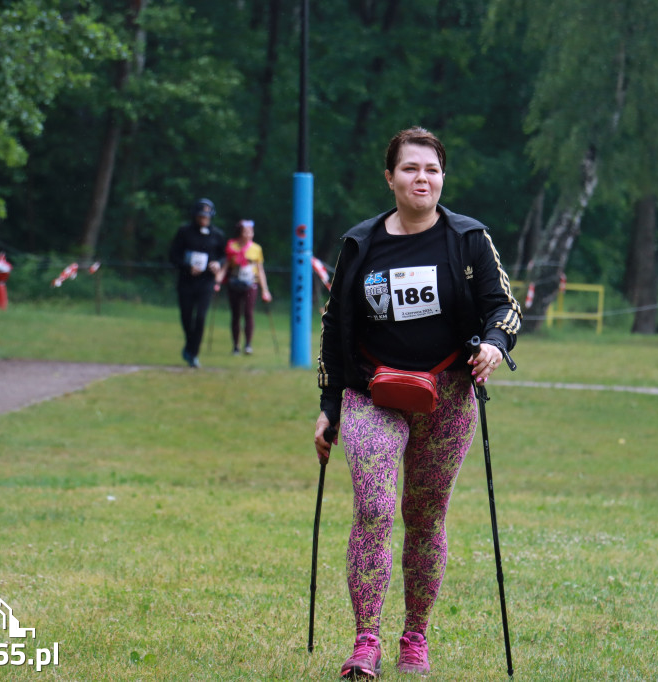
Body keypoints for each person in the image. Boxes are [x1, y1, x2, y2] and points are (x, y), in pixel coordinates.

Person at [314, 127, 521, 679]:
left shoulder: (469, 238)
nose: (421, 179)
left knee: (425, 518)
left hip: (448, 395)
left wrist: (495, 346)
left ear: (442, 177)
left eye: (430, 169)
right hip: (371, 393)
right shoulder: (360, 244)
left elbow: (503, 307)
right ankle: (365, 641)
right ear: (390, 177)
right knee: (375, 510)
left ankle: (415, 637)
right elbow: (335, 328)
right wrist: (329, 405)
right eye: (409, 169)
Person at [168, 198, 226, 368]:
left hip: (206, 282)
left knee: (200, 317)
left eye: (206, 217)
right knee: (186, 316)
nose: (204, 219)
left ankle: (193, 353)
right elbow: (173, 255)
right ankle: (189, 343)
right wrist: (187, 266)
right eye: (201, 216)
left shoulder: (217, 234)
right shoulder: (184, 232)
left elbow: (223, 256)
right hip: (187, 281)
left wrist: (218, 264)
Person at [217, 219, 272, 355]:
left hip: (250, 284)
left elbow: (260, 270)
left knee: (248, 313)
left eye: (251, 232)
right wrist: (217, 282)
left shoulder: (256, 249)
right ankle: (236, 345)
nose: (249, 234)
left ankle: (248, 344)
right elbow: (226, 266)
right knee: (236, 315)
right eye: (246, 232)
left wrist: (265, 290)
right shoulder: (232, 247)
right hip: (234, 283)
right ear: (240, 233)